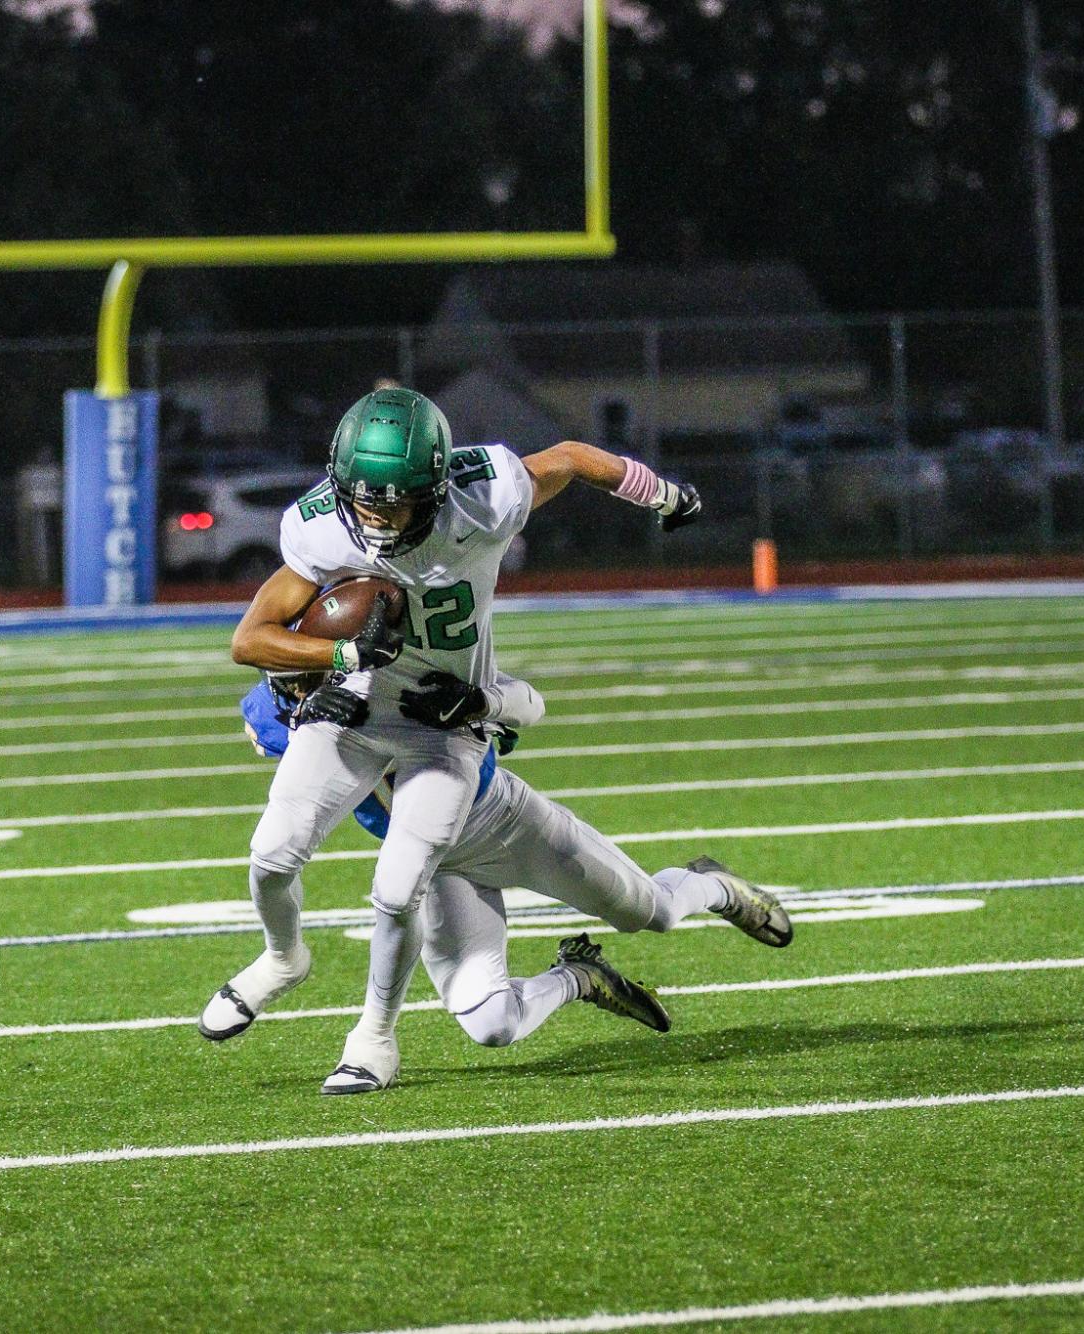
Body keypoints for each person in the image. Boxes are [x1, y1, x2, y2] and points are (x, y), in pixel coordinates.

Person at [207, 386, 705, 1093]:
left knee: (396, 887)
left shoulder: (486, 495)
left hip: (444, 736)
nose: (377, 514)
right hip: (352, 711)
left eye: (398, 499)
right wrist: (344, 658)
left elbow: (568, 459)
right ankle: (282, 958)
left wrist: (660, 496)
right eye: (364, 498)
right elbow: (250, 640)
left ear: (436, 487)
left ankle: (372, 1038)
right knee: (270, 855)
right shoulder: (319, 532)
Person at [227, 674, 791, 1087]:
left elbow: (528, 701)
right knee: (493, 1024)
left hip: (507, 824)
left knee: (657, 912)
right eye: (292, 681)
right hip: (437, 865)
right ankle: (579, 978)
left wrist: (484, 704)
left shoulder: (408, 667)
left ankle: (714, 886)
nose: (302, 689)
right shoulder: (276, 716)